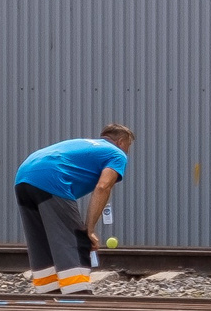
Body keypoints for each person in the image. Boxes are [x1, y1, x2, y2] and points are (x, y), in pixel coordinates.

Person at [15, 124, 133, 300]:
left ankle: (48, 294)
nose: (127, 152)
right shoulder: (116, 153)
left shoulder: (85, 145)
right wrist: (89, 229)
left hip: (24, 175)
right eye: (128, 146)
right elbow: (103, 187)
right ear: (121, 141)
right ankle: (78, 295)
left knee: (41, 242)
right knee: (75, 238)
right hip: (51, 177)